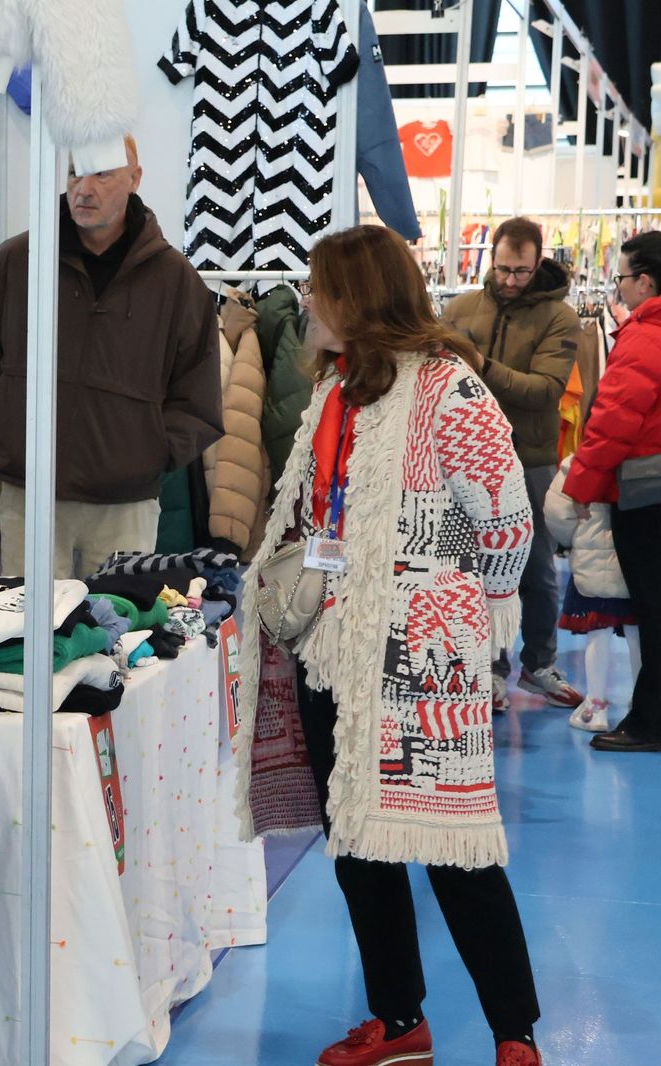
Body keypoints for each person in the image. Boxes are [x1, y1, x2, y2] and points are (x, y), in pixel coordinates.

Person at [236, 226, 543, 1066]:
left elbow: (507, 521)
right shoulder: (335, 388)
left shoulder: (448, 388)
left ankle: (515, 1034)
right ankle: (399, 1021)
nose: (307, 300)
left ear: (360, 297)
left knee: (454, 852)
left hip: (420, 663)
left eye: (320, 287)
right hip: (330, 652)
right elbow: (311, 507)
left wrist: (461, 609)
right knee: (358, 846)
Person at [0, 134, 222, 579]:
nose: (83, 189)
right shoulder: (20, 260)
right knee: (25, 621)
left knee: (119, 621)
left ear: (134, 179)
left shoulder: (175, 280)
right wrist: (8, 418)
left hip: (125, 505)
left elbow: (199, 395)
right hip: (30, 496)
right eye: (74, 173)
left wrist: (149, 450)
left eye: (102, 174)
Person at [442, 217, 583, 711]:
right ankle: (488, 668)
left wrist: (479, 365)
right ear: (491, 257)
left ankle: (539, 663)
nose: (509, 279)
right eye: (502, 268)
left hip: (528, 458)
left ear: (537, 262)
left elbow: (544, 390)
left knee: (537, 568)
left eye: (520, 271)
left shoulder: (560, 317)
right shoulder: (460, 309)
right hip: (465, 459)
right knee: (473, 566)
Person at [561, 231, 661, 752]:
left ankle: (649, 723)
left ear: (644, 281)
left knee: (653, 607)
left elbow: (612, 424)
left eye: (620, 277)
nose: (617, 287)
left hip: (647, 493)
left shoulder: (644, 337)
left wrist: (581, 487)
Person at [541, 457, 639, 734]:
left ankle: (595, 707)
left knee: (598, 631)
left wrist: (574, 539)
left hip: (592, 562)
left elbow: (557, 512)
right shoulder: (646, 455)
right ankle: (642, 700)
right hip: (637, 561)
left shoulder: (581, 461)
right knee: (639, 632)